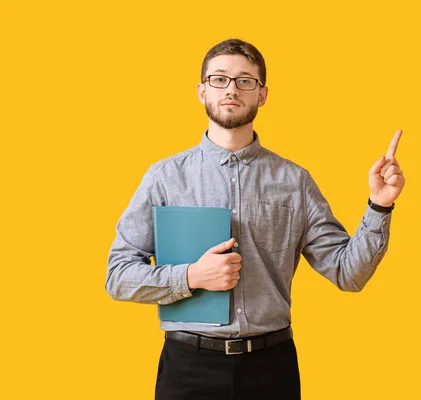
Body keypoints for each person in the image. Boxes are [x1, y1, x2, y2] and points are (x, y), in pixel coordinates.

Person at [106, 38, 405, 400]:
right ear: (202, 91)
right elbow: (118, 276)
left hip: (271, 369)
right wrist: (190, 276)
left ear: (262, 94)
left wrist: (378, 206)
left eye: (245, 81)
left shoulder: (295, 182)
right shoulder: (164, 178)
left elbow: (348, 274)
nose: (231, 89)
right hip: (188, 368)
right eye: (220, 79)